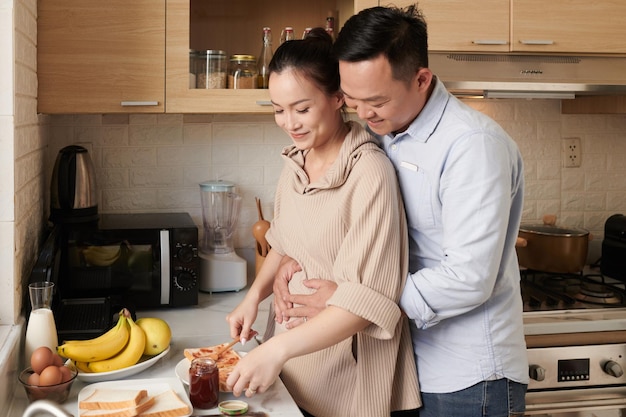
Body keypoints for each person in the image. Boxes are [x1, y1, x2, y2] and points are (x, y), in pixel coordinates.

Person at [272, 5, 529, 417]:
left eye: (375, 100)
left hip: (467, 375)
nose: (362, 113)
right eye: (352, 100)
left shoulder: (471, 145)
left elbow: (468, 277)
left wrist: (352, 301)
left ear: (421, 79)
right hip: (404, 363)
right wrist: (294, 257)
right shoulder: (388, 130)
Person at [224, 28, 421, 417]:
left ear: (337, 98)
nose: (289, 122)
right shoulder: (296, 164)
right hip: (294, 374)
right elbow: (283, 243)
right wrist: (252, 297)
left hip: (349, 385)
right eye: (278, 109)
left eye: (302, 108)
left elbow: (366, 304)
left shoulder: (370, 175)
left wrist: (273, 350)